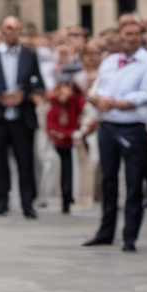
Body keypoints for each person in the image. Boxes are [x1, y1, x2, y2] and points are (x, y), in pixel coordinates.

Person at [83, 20, 147, 251]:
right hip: (108, 125)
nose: (130, 38)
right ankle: (106, 231)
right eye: (126, 34)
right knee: (108, 180)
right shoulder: (111, 61)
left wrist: (119, 103)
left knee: (133, 183)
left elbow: (145, 94)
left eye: (135, 34)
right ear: (120, 37)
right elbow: (98, 87)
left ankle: (129, 235)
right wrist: (96, 98)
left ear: (140, 36)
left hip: (132, 126)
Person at [0, 16, 45, 219]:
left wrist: (23, 94)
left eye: (16, 28)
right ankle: (1, 201)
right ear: (2, 30)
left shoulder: (28, 54)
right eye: (8, 28)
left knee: (25, 161)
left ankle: (27, 203)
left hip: (21, 116)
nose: (12, 32)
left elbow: (38, 82)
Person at [46, 76, 83, 214]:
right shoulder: (54, 106)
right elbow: (51, 126)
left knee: (71, 170)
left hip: (72, 142)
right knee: (61, 169)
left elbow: (78, 118)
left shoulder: (73, 104)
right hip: (59, 143)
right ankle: (63, 197)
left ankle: (70, 197)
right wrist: (67, 134)